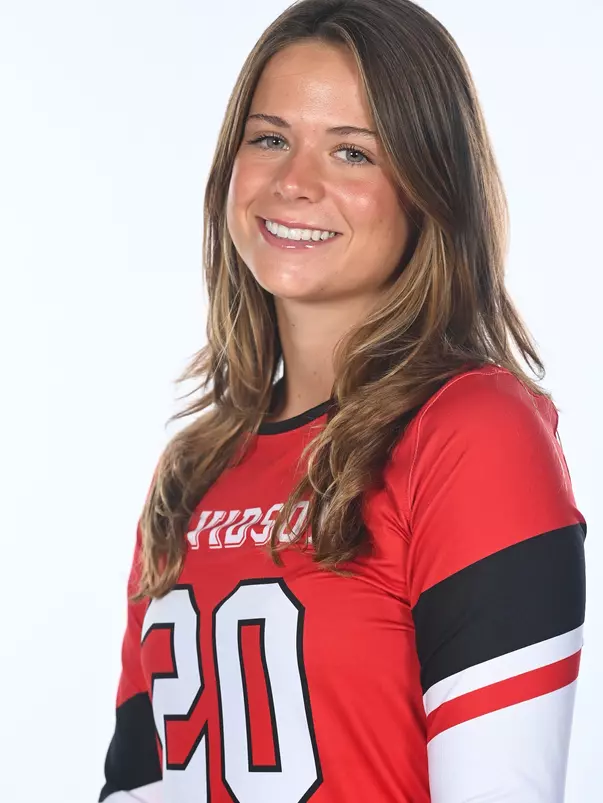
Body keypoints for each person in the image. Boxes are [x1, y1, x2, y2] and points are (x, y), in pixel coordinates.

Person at [98, 0, 586, 801]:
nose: (295, 182)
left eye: (353, 153)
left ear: (429, 189)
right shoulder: (189, 470)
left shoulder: (472, 431)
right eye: (269, 138)